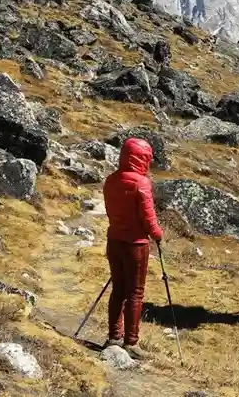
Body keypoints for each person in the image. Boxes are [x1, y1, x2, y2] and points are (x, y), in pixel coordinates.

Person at [103, 137, 164, 359]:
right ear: (142, 158)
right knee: (135, 293)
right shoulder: (141, 183)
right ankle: (131, 342)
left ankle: (114, 337)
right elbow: (148, 218)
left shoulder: (111, 180)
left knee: (118, 289)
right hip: (136, 244)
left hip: (114, 240)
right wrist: (158, 234)